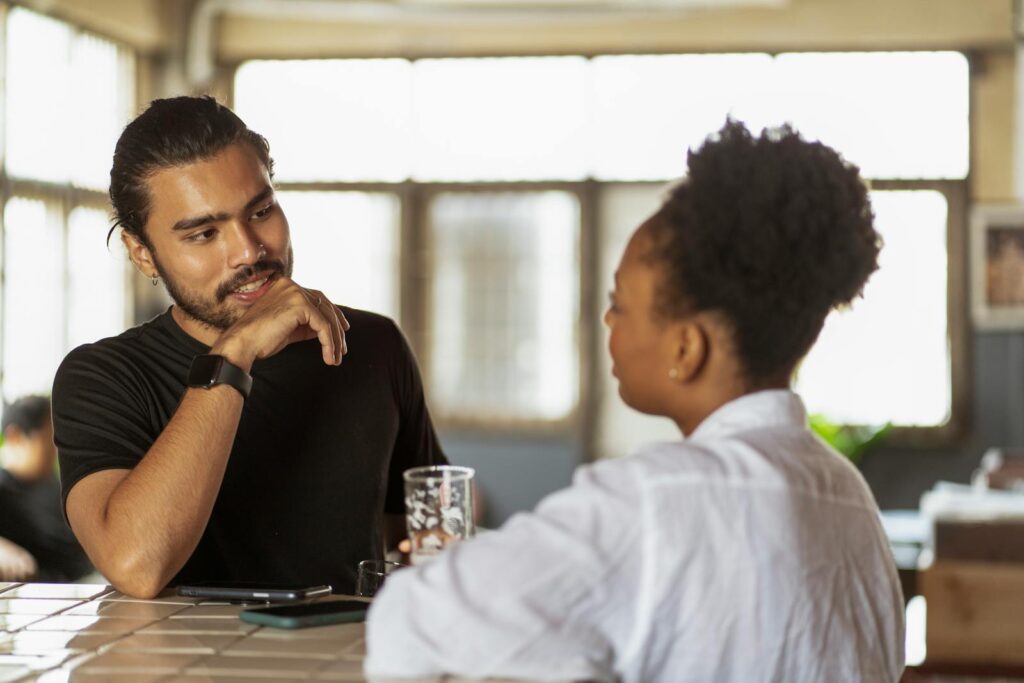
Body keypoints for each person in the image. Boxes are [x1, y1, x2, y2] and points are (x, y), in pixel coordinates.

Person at [365, 120, 905, 682]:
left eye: (618, 304)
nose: (606, 321)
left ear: (685, 348)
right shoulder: (847, 496)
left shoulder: (656, 500)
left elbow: (411, 624)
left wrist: (450, 568)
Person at [52, 96, 446, 599]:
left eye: (261, 211)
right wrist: (233, 354)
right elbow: (136, 565)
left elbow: (426, 534)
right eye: (204, 233)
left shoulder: (372, 344)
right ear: (143, 254)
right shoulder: (104, 377)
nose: (249, 251)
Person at [0, 396, 93, 582]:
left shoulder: (57, 488)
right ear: (15, 437)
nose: (57, 451)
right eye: (50, 439)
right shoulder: (4, 493)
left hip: (92, 583)